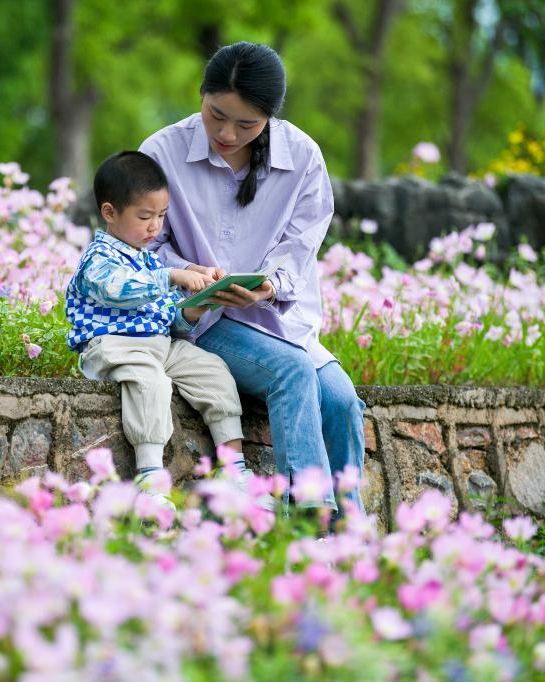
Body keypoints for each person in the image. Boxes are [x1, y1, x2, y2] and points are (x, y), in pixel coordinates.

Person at [140, 41, 366, 519]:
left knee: (343, 403)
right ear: (201, 93)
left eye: (246, 124)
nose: (226, 132)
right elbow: (139, 244)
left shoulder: (302, 156)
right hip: (200, 317)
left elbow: (302, 242)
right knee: (291, 372)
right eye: (216, 114)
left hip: (279, 319)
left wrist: (271, 285)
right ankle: (310, 519)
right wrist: (185, 272)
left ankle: (354, 532)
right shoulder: (161, 152)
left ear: (270, 118)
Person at [65, 151, 275, 511]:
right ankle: (150, 479)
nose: (154, 227)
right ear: (110, 213)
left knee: (212, 371)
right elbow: (117, 289)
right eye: (144, 217)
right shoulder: (99, 257)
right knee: (151, 383)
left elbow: (169, 320)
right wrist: (172, 275)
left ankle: (233, 470)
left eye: (161, 217)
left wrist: (195, 307)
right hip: (114, 346)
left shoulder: (147, 259)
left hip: (159, 344)